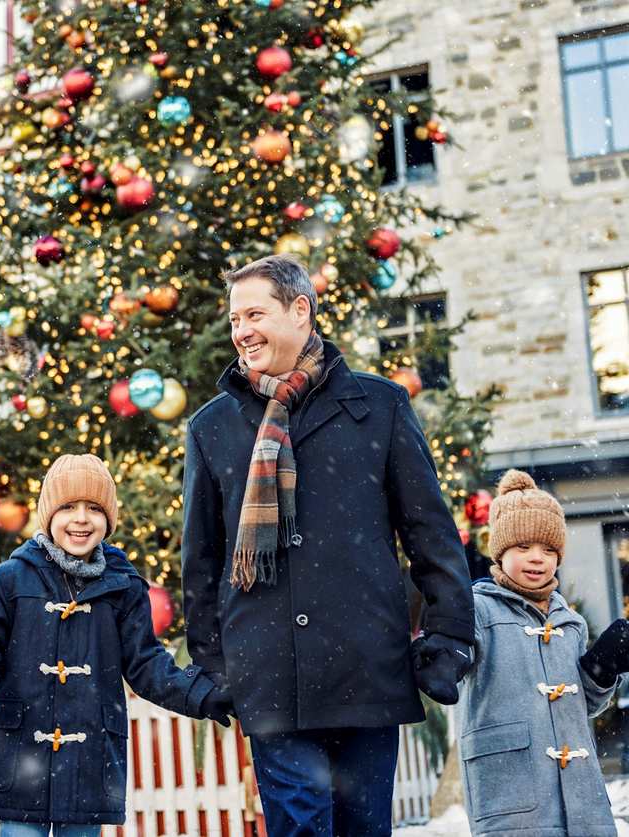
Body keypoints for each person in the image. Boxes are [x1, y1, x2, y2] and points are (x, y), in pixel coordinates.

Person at [180, 254, 474, 836]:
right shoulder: (212, 427)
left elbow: (431, 535)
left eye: (255, 313)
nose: (241, 330)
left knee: (364, 829)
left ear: (300, 310)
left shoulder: (380, 406)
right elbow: (201, 560)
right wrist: (215, 665)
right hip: (268, 678)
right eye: (235, 319)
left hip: (365, 670)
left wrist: (447, 636)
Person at [0, 454, 234, 835]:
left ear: (109, 518)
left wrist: (200, 693)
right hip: (22, 751)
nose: (81, 519)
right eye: (68, 507)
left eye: (94, 508)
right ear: (48, 514)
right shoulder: (10, 580)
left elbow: (146, 663)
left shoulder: (124, 586)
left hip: (89, 756)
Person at [444, 469, 629, 836]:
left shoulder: (571, 622)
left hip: (580, 794)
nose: (537, 559)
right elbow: (456, 656)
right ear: (499, 552)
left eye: (549, 549)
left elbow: (585, 707)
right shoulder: (477, 609)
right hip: (510, 786)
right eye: (523, 548)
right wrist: (444, 652)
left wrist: (599, 674)